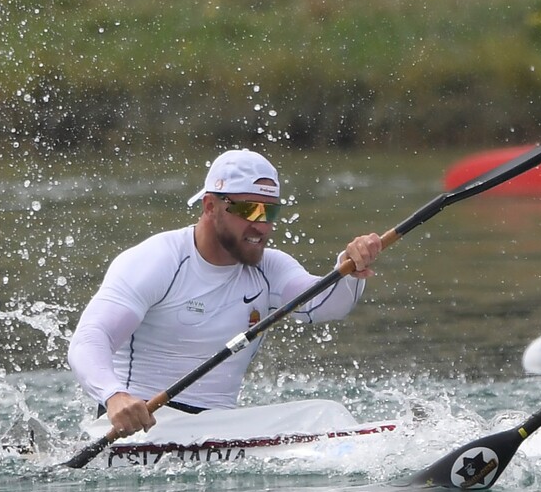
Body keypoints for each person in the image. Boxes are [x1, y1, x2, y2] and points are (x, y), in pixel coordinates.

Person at [67, 148, 383, 437]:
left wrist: (349, 267)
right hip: (141, 428)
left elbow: (324, 304)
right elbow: (90, 339)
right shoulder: (159, 260)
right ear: (210, 206)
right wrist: (114, 395)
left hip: (220, 431)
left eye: (270, 212)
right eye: (249, 209)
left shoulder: (269, 269)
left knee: (325, 413)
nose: (262, 226)